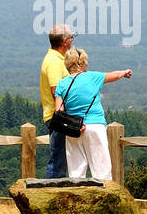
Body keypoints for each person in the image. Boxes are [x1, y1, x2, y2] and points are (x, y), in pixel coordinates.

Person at [53, 48, 132, 180]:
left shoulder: (62, 84)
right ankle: (104, 196)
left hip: (73, 130)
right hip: (95, 126)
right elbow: (115, 75)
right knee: (101, 170)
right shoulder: (93, 77)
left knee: (76, 172)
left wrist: (74, 124)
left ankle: (77, 196)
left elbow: (58, 112)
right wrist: (125, 72)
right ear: (81, 63)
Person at [39, 24, 74, 177]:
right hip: (58, 117)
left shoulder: (56, 59)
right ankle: (50, 194)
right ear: (65, 41)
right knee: (57, 162)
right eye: (72, 37)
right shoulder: (54, 62)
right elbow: (55, 91)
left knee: (60, 160)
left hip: (58, 117)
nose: (73, 40)